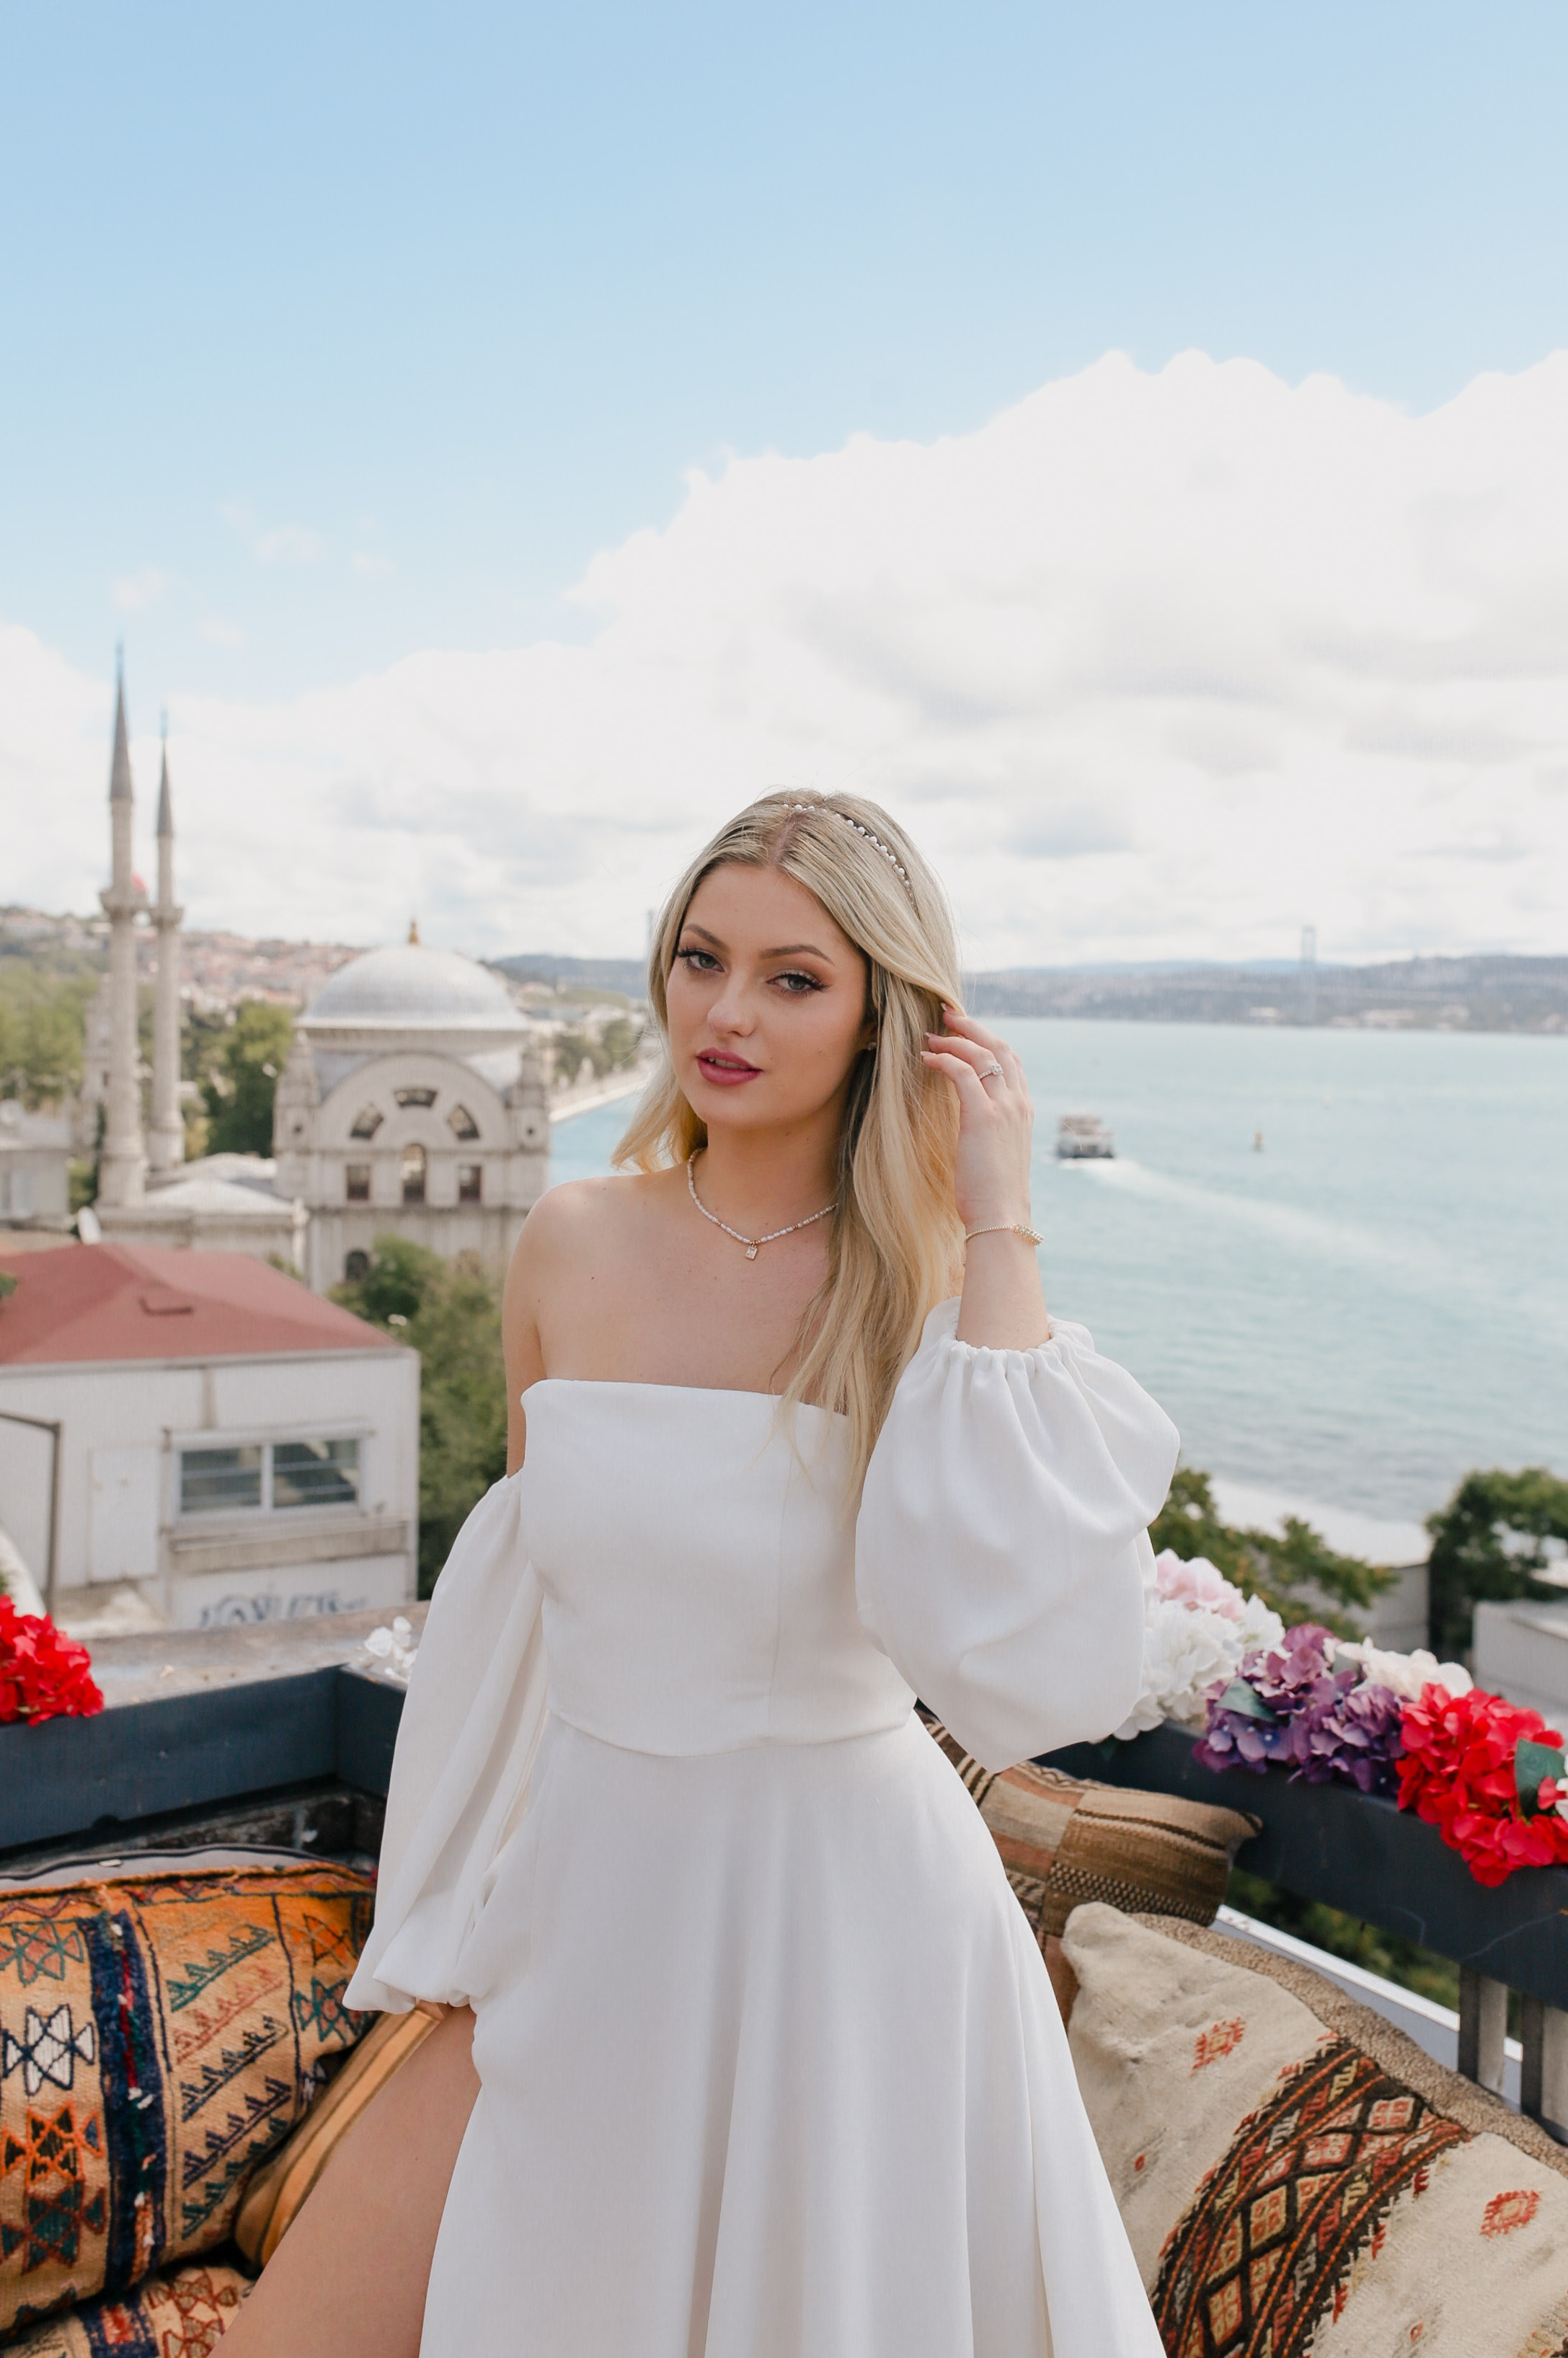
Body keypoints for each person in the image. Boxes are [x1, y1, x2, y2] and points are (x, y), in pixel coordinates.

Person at [226, 791, 1177, 2357]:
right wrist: (466, 1905)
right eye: (699, 957)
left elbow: (1025, 1665)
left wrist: (999, 1215)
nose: (726, 1014)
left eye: (795, 978)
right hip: (590, 1894)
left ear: (889, 1014)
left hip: (856, 1927)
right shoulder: (571, 1242)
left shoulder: (936, 1288)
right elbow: (529, 1608)